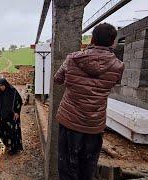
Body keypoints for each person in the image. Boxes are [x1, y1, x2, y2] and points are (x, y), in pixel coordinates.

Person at [54, 23, 124, 180]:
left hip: (70, 122)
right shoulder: (119, 66)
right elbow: (112, 84)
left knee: (66, 167)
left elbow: (57, 79)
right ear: (113, 42)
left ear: (92, 38)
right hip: (94, 125)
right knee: (88, 168)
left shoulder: (73, 58)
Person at [0, 78, 23, 155]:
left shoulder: (12, 91)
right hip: (4, 115)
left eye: (2, 85)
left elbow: (19, 101)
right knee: (3, 129)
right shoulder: (0, 92)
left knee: (13, 131)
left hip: (12, 115)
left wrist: (17, 112)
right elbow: (0, 103)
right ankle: (6, 144)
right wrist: (0, 113)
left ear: (5, 84)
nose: (1, 87)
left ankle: (14, 149)